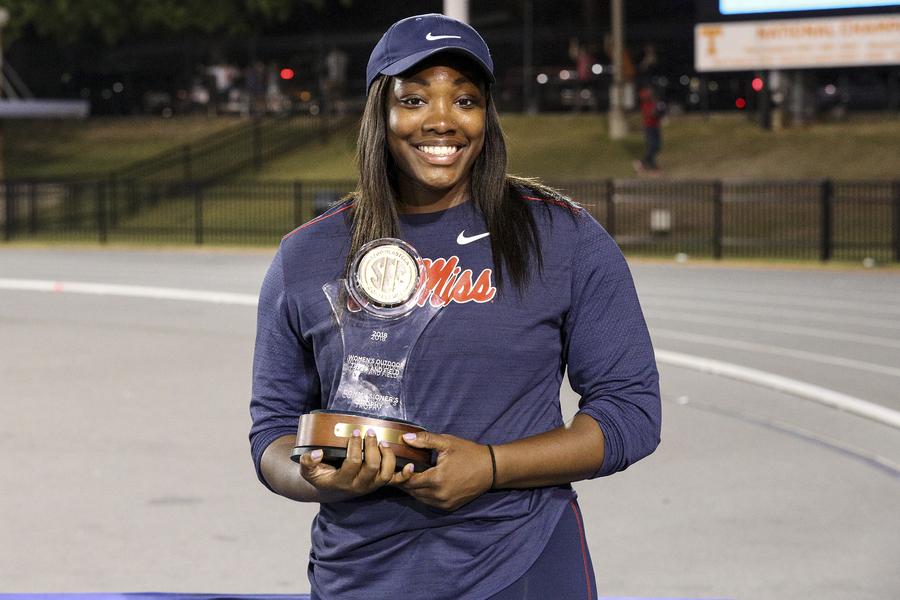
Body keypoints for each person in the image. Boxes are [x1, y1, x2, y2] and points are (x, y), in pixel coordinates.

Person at [249, 13, 661, 600]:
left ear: (485, 117)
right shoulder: (306, 254)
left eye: (464, 99)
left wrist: (491, 466)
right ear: (381, 116)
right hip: (360, 575)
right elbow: (271, 437)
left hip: (520, 561)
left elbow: (632, 412)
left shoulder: (562, 236)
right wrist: (320, 478)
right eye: (414, 98)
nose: (441, 119)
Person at [635, 86, 664, 174]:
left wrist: (660, 110)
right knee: (653, 146)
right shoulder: (646, 104)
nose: (651, 95)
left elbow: (658, 114)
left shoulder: (653, 102)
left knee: (657, 146)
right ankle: (643, 163)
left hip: (655, 126)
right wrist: (657, 110)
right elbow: (652, 114)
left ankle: (651, 166)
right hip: (649, 127)